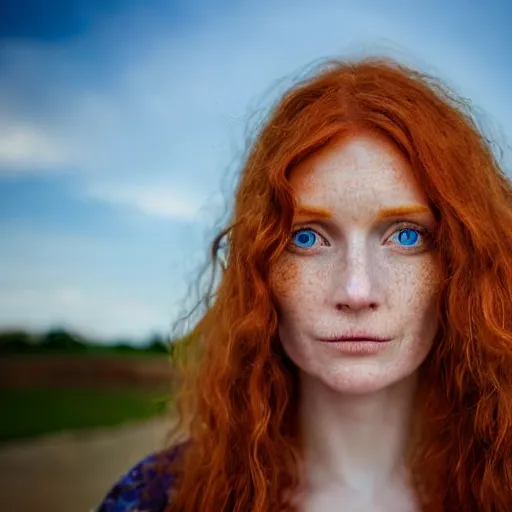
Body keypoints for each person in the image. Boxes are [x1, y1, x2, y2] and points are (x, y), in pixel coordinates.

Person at [96, 56, 512, 512]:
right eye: (307, 237)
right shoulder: (158, 500)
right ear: (260, 266)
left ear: (464, 263)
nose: (357, 291)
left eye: (406, 236)